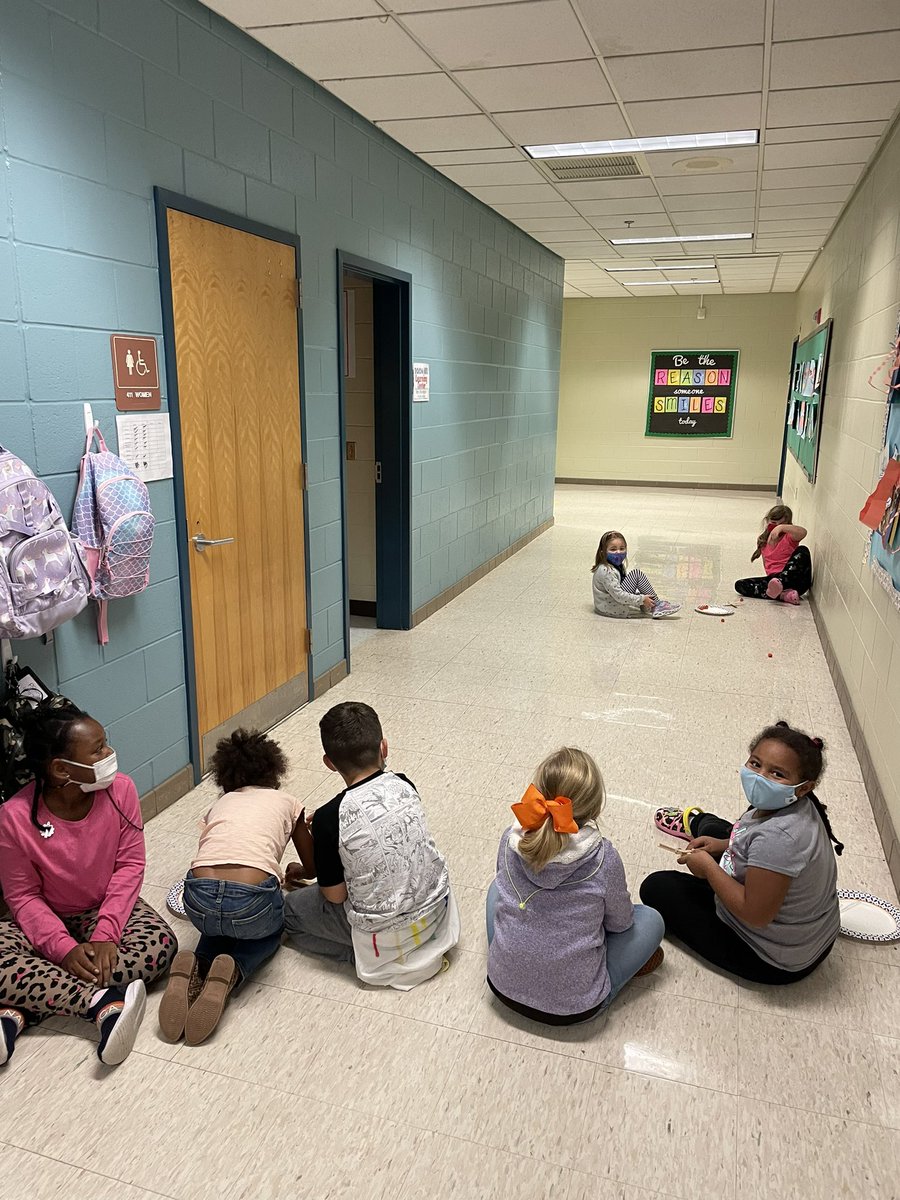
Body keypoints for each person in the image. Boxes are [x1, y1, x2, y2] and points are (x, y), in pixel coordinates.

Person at [0, 699, 176, 1068]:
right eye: (98, 749)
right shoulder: (14, 817)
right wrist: (62, 948)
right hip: (44, 917)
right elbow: (23, 895)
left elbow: (130, 866)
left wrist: (107, 933)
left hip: (104, 909)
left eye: (106, 742)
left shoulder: (121, 790)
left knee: (161, 946)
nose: (110, 753)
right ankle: (102, 1005)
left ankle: (18, 1012)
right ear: (62, 769)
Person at [641, 722, 842, 984]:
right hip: (809, 936)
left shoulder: (778, 840)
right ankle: (700, 823)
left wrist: (709, 870)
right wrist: (721, 845)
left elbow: (756, 915)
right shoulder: (797, 806)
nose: (760, 777)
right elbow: (747, 836)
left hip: (771, 957)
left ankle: (698, 824)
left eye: (777, 774)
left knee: (657, 888)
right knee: (719, 831)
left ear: (803, 787)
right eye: (756, 764)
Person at [282, 701, 459, 989]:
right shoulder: (404, 784)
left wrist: (327, 837)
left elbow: (335, 897)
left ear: (329, 763)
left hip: (384, 934)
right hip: (436, 914)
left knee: (290, 912)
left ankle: (364, 957)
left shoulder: (328, 818)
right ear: (384, 747)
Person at [486, 747, 665, 1025]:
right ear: (594, 808)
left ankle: (516, 958)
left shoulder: (510, 838)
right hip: (576, 1008)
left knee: (496, 889)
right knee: (651, 920)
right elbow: (620, 923)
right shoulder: (603, 857)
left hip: (501, 988)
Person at [158, 728, 313, 1045]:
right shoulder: (288, 802)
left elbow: (210, 851)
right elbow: (314, 865)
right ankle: (234, 971)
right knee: (271, 928)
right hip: (250, 904)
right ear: (274, 771)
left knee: (216, 926)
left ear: (226, 777)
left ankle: (197, 964)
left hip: (197, 899)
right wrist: (299, 869)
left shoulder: (222, 803)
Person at [591, 530, 680, 619]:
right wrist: (641, 599)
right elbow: (618, 595)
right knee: (636, 575)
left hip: (607, 606)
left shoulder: (616, 566)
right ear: (603, 552)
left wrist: (640, 597)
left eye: (622, 548)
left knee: (638, 582)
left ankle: (654, 604)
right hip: (611, 609)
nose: (618, 552)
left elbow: (618, 587)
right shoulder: (606, 571)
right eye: (613, 549)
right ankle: (656, 604)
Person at [734, 504, 811, 604]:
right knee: (740, 585)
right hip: (774, 580)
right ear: (767, 521)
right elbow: (768, 567)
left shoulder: (789, 537)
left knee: (803, 550)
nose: (776, 527)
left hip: (793, 579)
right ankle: (782, 595)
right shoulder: (763, 541)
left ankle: (781, 584)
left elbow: (803, 532)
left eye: (781, 524)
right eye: (774, 523)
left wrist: (782, 528)